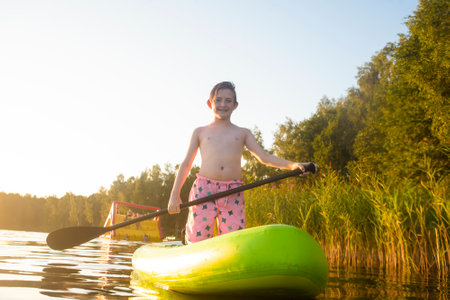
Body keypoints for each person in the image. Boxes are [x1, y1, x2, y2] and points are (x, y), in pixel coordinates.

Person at [168, 81, 314, 243]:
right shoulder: (200, 132)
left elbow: (265, 157)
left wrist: (293, 165)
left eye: (228, 100)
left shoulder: (242, 133)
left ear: (235, 105)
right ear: (210, 104)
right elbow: (186, 163)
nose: (223, 104)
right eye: (218, 100)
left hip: (233, 192)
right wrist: (175, 194)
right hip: (204, 190)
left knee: (234, 239)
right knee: (198, 237)